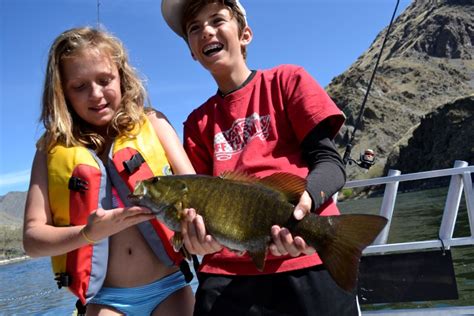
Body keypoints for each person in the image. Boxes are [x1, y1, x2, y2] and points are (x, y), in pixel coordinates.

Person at [161, 0, 360, 315]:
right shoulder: (196, 124)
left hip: (304, 257)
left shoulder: (287, 81)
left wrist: (306, 203)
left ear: (245, 34)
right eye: (194, 28)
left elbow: (330, 163)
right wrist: (192, 242)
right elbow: (195, 208)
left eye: (217, 20)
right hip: (226, 278)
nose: (206, 32)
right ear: (192, 52)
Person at [23, 27, 195, 316]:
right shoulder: (48, 151)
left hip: (170, 288)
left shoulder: (155, 124)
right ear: (62, 92)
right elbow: (32, 240)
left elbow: (199, 196)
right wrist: (88, 233)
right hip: (105, 301)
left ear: (122, 77)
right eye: (79, 86)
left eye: (105, 80)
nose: (96, 95)